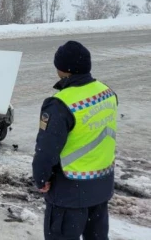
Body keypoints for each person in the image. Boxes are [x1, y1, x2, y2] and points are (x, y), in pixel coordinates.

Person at [32, 41, 117, 240]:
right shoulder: (107, 93)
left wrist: (41, 179)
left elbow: (46, 151)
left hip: (70, 192)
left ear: (62, 69)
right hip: (102, 187)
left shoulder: (60, 104)